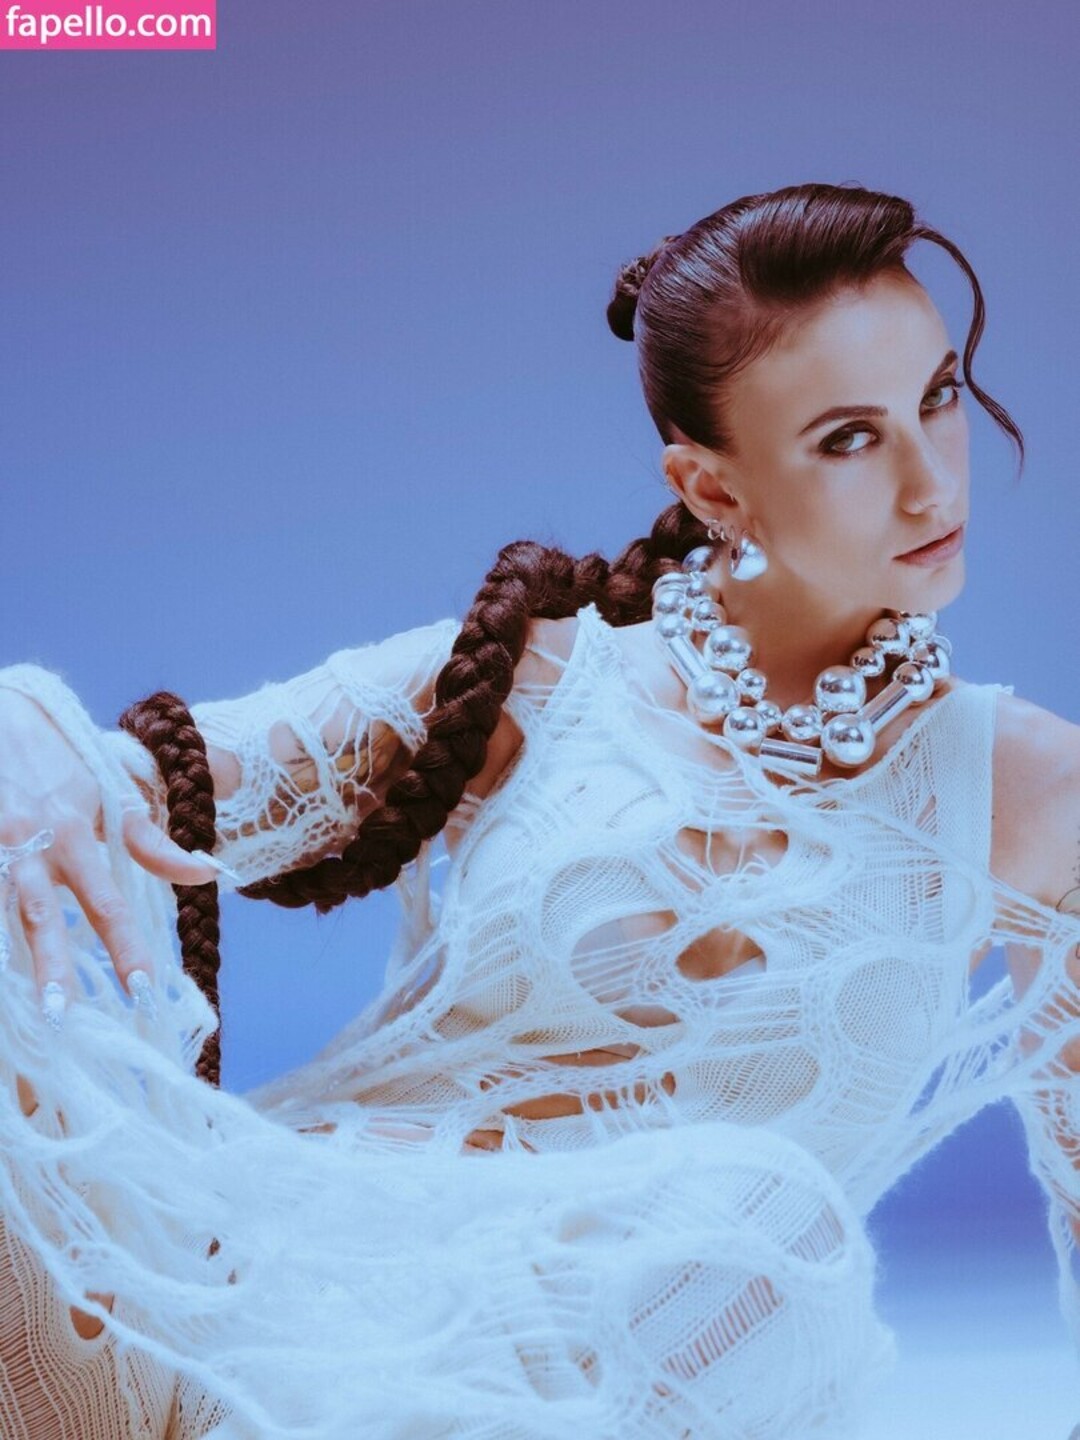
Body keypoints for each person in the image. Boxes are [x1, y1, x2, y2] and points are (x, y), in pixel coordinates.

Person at [0, 180, 1076, 1440]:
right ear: (711, 488)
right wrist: (25, 728)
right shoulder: (544, 676)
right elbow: (120, 779)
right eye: (849, 439)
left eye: (939, 396)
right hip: (234, 1302)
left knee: (771, 1228)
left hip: (582, 1381)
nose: (931, 483)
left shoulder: (1033, 795)